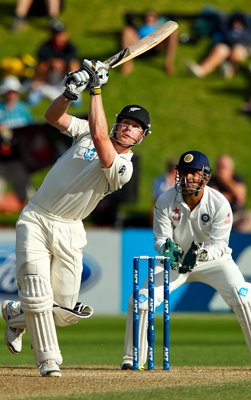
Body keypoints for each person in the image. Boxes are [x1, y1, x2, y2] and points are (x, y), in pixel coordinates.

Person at [2, 58, 151, 377]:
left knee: (63, 309)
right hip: (37, 218)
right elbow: (51, 116)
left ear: (141, 137)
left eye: (135, 127)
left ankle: (16, 316)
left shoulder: (124, 168)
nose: (128, 127)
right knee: (39, 294)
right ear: (117, 123)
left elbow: (101, 140)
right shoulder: (84, 131)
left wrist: (96, 88)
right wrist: (70, 93)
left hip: (70, 229)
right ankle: (48, 361)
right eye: (125, 122)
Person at [121, 150, 251, 371]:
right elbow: (161, 239)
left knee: (245, 295)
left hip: (214, 261)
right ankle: (133, 358)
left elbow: (219, 245)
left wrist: (200, 255)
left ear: (205, 177)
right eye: (184, 172)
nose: (188, 178)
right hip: (175, 261)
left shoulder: (219, 203)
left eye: (194, 173)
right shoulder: (166, 200)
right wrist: (169, 249)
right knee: (142, 299)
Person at [0, 75, 34, 212]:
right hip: (1, 158)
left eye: (14, 92)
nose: (11, 95)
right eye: (9, 92)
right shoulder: (1, 109)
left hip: (19, 157)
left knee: (25, 189)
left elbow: (29, 131)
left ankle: (31, 213)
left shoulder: (23, 110)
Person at [27, 21, 80, 106]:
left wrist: (61, 63)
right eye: (56, 35)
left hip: (64, 75)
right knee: (41, 66)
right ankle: (37, 89)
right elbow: (41, 62)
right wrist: (52, 63)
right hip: (49, 76)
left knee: (74, 65)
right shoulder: (45, 47)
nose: (59, 37)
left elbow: (72, 60)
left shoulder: (70, 47)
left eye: (61, 34)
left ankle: (74, 89)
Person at [186, 12, 251, 79]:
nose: (236, 24)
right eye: (235, 22)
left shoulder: (247, 32)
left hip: (239, 52)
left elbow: (246, 43)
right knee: (221, 49)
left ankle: (229, 70)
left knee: (237, 51)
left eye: (238, 22)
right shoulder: (227, 29)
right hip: (226, 49)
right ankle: (201, 71)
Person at [208, 155, 251, 232]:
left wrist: (226, 181)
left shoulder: (237, 179)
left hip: (236, 215)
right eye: (219, 167)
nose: (221, 170)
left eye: (224, 167)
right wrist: (230, 196)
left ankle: (238, 239)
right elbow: (214, 200)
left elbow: (240, 196)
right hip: (218, 216)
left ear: (231, 169)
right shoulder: (211, 181)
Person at [121, 10, 178, 76]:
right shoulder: (140, 26)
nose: (149, 17)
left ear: (157, 19)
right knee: (127, 30)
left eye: (152, 16)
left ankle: (168, 63)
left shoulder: (159, 27)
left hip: (157, 45)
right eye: (147, 16)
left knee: (173, 33)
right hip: (139, 45)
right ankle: (127, 64)